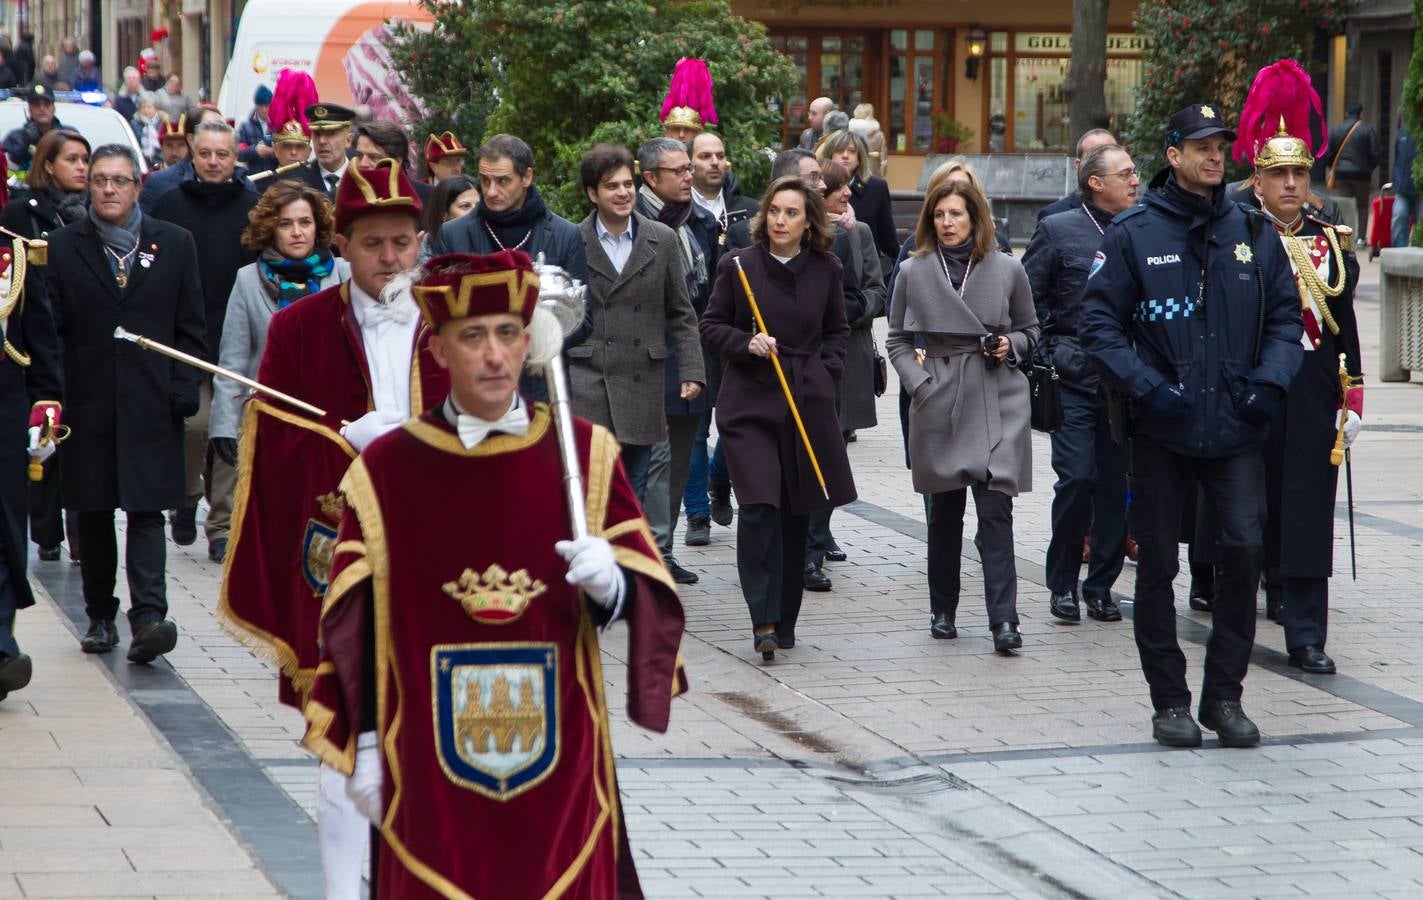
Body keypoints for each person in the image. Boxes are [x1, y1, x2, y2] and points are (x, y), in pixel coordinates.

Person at [300, 249, 686, 898]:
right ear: (441, 350)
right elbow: (355, 623)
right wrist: (365, 742)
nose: (494, 354)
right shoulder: (386, 471)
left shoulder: (584, 453)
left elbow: (646, 593)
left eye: (508, 332)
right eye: (472, 336)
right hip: (421, 760)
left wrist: (611, 586)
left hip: (560, 765)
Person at [219, 159, 447, 899]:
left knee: (433, 733)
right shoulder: (297, 327)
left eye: (403, 242)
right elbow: (276, 441)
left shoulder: (454, 320)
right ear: (340, 245)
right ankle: (342, 890)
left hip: (442, 553)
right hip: (341, 557)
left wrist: (417, 439)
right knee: (348, 737)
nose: (390, 259)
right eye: (374, 243)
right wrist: (346, 440)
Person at [1079, 104, 1304, 749]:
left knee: (1242, 550)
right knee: (1156, 567)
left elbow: (1288, 320)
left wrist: (1268, 384)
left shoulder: (1253, 232)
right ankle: (1170, 700)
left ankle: (1224, 696)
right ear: (1172, 154)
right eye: (1201, 145)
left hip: (1235, 426)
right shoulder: (1133, 232)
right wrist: (1147, 386)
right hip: (1162, 429)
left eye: (1221, 145)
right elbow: (1098, 327)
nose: (1215, 155)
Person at [45, 143, 206, 663]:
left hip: (151, 402)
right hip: (86, 404)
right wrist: (52, 399)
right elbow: (51, 333)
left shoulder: (175, 244)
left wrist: (183, 389)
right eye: (99, 181)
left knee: (146, 510)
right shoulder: (63, 247)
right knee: (91, 511)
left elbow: (190, 327)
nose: (109, 189)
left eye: (119, 180)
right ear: (87, 186)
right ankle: (99, 615)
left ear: (138, 185)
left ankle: (149, 617)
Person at [701, 175, 856, 660]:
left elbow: (837, 331)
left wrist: (824, 373)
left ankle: (785, 617)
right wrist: (746, 343)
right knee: (759, 507)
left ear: (809, 220)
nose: (781, 220)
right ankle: (761, 618)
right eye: (774, 211)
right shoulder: (738, 266)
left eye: (792, 213)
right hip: (750, 402)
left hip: (804, 401)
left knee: (795, 511)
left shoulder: (827, 268)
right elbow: (711, 324)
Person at [1237, 109, 1363, 674]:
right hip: (1253, 381)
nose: (1291, 184)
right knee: (1249, 508)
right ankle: (1240, 612)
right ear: (1257, 180)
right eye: (1279, 174)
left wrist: (1353, 394)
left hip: (1314, 386)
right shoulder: (1237, 233)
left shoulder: (1328, 241)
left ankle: (1308, 632)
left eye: (1299, 174)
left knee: (1311, 507)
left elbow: (1345, 323)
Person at [887, 179, 1038, 652]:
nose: (947, 223)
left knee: (996, 510)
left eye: (956, 214)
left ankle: (1004, 621)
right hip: (940, 395)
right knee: (945, 514)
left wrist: (1008, 344)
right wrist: (920, 385)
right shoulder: (913, 271)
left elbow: (1032, 330)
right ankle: (943, 609)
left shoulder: (1008, 269)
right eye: (939, 215)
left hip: (997, 394)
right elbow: (894, 339)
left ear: (976, 218)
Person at [1025, 143, 1139, 626]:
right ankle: (1062, 584)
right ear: (1096, 183)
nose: (1137, 180)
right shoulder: (1058, 229)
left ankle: (1102, 587)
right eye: (1126, 173)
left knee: (1115, 486)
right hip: (1072, 377)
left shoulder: (1143, 229)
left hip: (1126, 380)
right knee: (1077, 479)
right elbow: (1027, 300)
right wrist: (1049, 354)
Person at [151, 121, 261, 562]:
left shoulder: (254, 207)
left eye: (223, 154)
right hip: (187, 335)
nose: (214, 162)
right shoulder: (170, 204)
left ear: (236, 158)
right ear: (192, 157)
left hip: (236, 335)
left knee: (231, 432)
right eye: (206, 154)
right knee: (195, 427)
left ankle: (221, 527)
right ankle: (186, 494)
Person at [573, 143, 704, 499]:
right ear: (592, 193)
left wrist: (692, 369)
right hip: (589, 381)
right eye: (611, 186)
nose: (622, 193)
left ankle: (630, 555)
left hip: (641, 381)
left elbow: (680, 310)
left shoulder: (660, 238)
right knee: (593, 492)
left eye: (627, 184)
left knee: (634, 495)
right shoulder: (573, 239)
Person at [430, 133, 591, 401]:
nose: (491, 191)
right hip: (473, 387)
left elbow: (583, 321)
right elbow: (436, 316)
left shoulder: (565, 234)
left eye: (503, 181)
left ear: (527, 177)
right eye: (485, 181)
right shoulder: (453, 234)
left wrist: (521, 342)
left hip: (542, 388)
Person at [209, 181, 349, 485]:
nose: (297, 232)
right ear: (271, 228)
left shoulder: (344, 274)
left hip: (333, 417)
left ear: (318, 226)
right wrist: (223, 426)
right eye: (286, 224)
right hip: (272, 418)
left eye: (305, 222)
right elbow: (233, 361)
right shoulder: (247, 280)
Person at [4, 129, 89, 565]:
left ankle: (77, 532)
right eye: (71, 159)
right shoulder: (24, 212)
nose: (80, 167)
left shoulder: (94, 214)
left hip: (82, 340)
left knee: (77, 445)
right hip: (41, 336)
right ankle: (47, 531)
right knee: (46, 438)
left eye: (84, 160)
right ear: (48, 164)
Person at [635, 137, 717, 585]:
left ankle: (663, 551)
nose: (689, 176)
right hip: (649, 363)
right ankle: (651, 554)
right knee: (657, 462)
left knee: (682, 460)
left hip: (692, 358)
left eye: (689, 168)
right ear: (650, 178)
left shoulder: (697, 222)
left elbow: (706, 291)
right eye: (678, 171)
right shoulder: (634, 222)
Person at [803, 161, 883, 591]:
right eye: (837, 188)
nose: (848, 194)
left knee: (828, 452)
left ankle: (815, 545)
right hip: (786, 362)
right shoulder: (763, 242)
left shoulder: (854, 235)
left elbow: (871, 292)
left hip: (836, 358)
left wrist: (840, 315)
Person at [0, 175, 63, 705]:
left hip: (4, 408)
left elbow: (41, 337)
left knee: (3, 527)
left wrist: (46, 401)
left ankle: (0, 647)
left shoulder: (17, 255)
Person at [687, 131, 756, 546]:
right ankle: (696, 514)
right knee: (696, 426)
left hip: (739, 334)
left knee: (736, 423)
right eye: (705, 156)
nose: (714, 162)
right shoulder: (677, 212)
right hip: (694, 329)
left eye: (719, 156)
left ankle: (720, 477)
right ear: (691, 164)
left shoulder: (746, 210)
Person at [140, 106, 249, 213]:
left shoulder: (244, 185)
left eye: (223, 128)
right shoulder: (158, 183)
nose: (218, 134)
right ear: (191, 140)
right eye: (210, 128)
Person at [817, 128, 898, 262]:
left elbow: (888, 239)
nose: (845, 155)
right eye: (839, 150)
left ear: (860, 158)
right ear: (829, 155)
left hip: (867, 268)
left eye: (852, 151)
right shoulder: (819, 185)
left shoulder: (876, 187)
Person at [1324, 102, 1382, 242]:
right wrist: (1369, 169)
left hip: (1342, 174)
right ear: (1361, 114)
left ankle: (1345, 238)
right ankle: (1361, 238)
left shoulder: (1336, 130)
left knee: (1345, 205)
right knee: (1362, 206)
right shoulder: (1367, 130)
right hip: (1362, 175)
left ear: (1346, 114)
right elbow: (1375, 154)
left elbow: (1328, 154)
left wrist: (1333, 167)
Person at [1038, 129, 1118, 222]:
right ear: (1078, 165)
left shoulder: (1131, 212)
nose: (1105, 164)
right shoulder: (1053, 215)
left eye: (1112, 157)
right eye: (1095, 158)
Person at [352, 119, 433, 204]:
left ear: (397, 161)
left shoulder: (429, 197)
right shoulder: (349, 197)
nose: (363, 164)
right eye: (360, 155)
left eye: (373, 157)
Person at [297, 103, 356, 198]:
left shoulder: (362, 176)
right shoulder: (297, 181)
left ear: (348, 140)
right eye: (317, 134)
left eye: (331, 134)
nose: (322, 141)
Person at [3, 84, 63, 172]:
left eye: (46, 104)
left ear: (53, 109)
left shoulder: (67, 135)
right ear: (29, 110)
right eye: (37, 105)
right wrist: (24, 145)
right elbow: (5, 171)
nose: (42, 108)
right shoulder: (13, 137)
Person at [419, 173, 479, 250]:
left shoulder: (489, 238)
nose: (475, 211)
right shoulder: (425, 249)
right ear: (444, 214)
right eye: (465, 206)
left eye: (478, 205)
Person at [237, 84, 275, 173]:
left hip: (275, 176)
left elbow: (286, 151)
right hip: (255, 176)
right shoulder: (245, 127)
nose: (265, 109)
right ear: (256, 105)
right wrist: (255, 150)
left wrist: (273, 151)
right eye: (261, 106)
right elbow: (239, 153)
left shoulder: (278, 125)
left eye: (267, 105)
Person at [1393, 118, 1417, 248]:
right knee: (1399, 216)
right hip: (1402, 186)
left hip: (1419, 186)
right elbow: (1397, 159)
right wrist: (1396, 180)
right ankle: (1398, 250)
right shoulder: (1402, 132)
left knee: (1420, 222)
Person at [849, 102, 888, 179]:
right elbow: (884, 158)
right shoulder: (878, 134)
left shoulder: (848, 133)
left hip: (852, 172)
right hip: (873, 172)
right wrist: (883, 173)